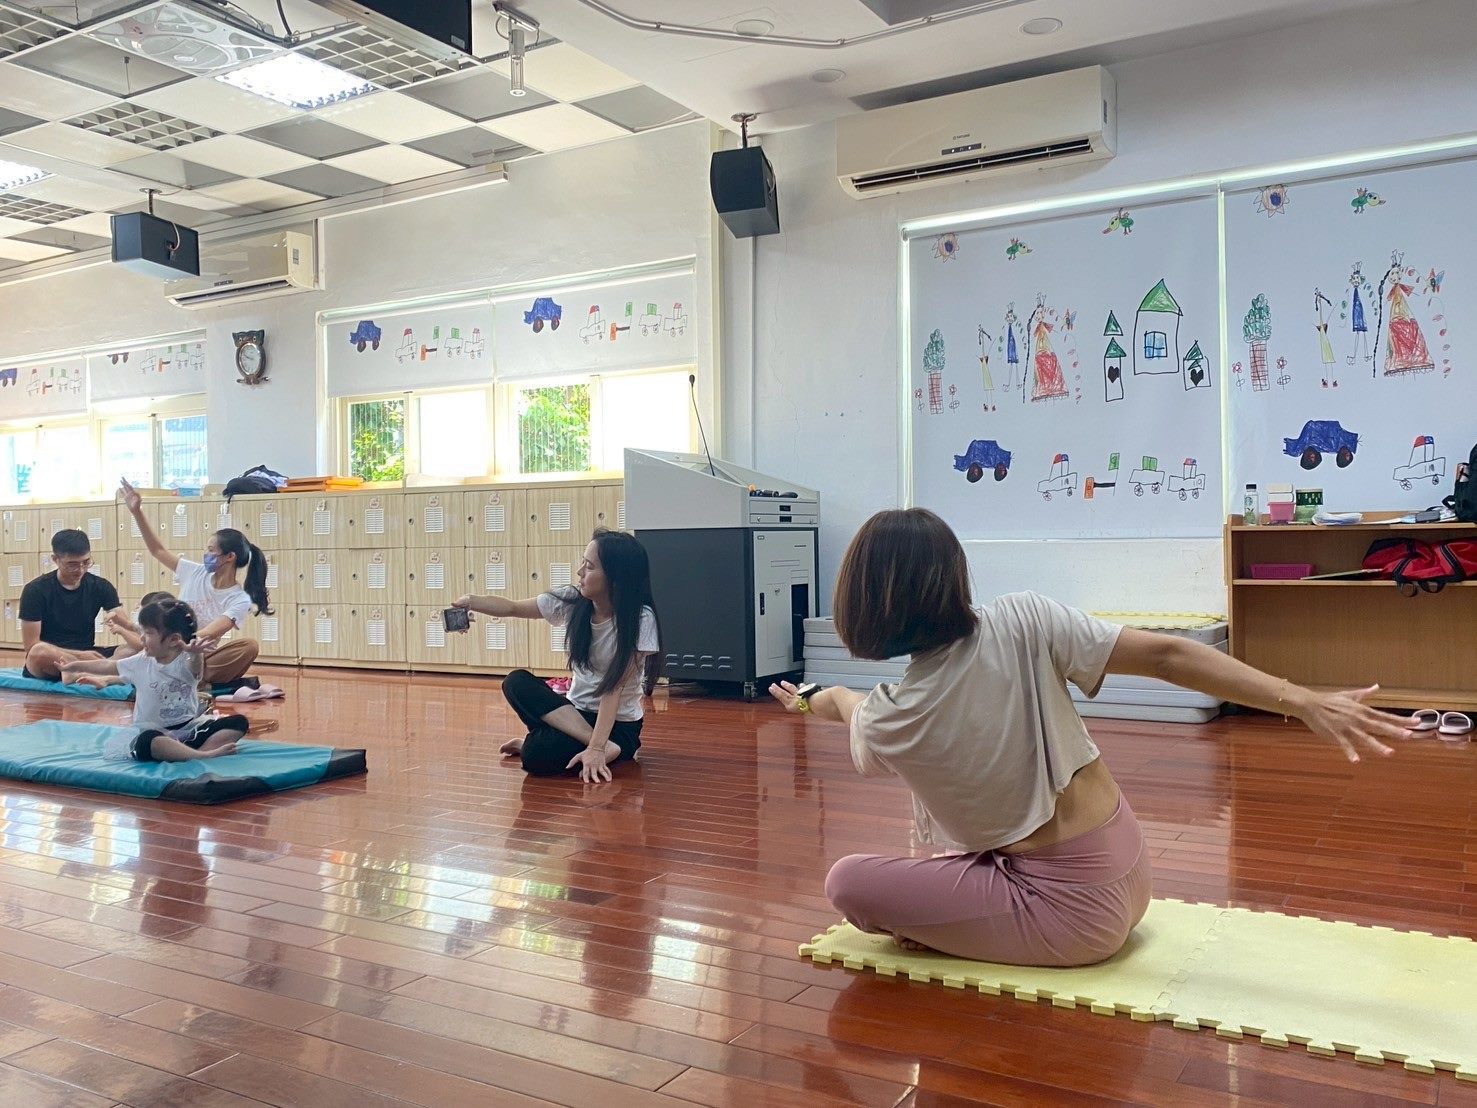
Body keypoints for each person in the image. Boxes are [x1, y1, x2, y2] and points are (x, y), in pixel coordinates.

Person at [770, 508, 1410, 967]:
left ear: (866, 602)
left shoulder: (896, 715)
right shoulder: (1024, 618)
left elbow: (848, 706)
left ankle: (954, 924)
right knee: (941, 870)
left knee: (847, 882)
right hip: (1130, 867)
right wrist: (1299, 698)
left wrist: (808, 699)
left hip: (1072, 916)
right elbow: (1165, 654)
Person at [452, 529, 661, 782]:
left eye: (590, 567)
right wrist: (471, 601)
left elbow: (613, 688)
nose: (580, 572)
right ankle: (600, 747)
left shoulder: (640, 619)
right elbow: (513, 607)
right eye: (582, 563)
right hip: (574, 714)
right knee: (516, 682)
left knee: (535, 757)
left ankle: (563, 742)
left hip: (619, 726)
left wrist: (596, 748)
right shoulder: (573, 600)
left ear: (616, 578)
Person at [120, 479, 269, 689]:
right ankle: (189, 679)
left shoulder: (238, 599)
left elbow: (209, 633)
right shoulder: (195, 572)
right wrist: (137, 512)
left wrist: (173, 643)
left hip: (194, 653)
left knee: (248, 647)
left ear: (230, 557)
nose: (206, 554)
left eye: (211, 550)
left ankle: (189, 678)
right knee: (124, 652)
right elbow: (158, 551)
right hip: (170, 646)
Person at [62, 598, 250, 762]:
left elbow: (195, 670)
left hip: (190, 730)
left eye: (148, 633)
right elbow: (108, 665)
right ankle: (201, 755)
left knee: (238, 722)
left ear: (173, 639)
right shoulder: (141, 660)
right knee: (148, 742)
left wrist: (196, 654)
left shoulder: (187, 660)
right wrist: (75, 666)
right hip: (156, 734)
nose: (142, 637)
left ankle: (193, 751)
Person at [20, 528, 128, 681]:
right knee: (39, 652)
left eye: (86, 562)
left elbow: (127, 625)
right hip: (54, 657)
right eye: (72, 564)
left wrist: (128, 627)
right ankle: (98, 670)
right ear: (55, 559)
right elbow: (31, 645)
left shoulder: (101, 586)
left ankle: (84, 671)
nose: (80, 570)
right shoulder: (35, 590)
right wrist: (81, 657)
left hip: (89, 653)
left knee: (135, 649)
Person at [66, 591, 175, 690]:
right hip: (139, 664)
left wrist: (122, 631)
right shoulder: (147, 627)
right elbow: (128, 624)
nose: (143, 636)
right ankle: (84, 673)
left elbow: (140, 645)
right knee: (123, 653)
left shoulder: (163, 640)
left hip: (145, 666)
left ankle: (87, 675)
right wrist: (115, 617)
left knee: (127, 659)